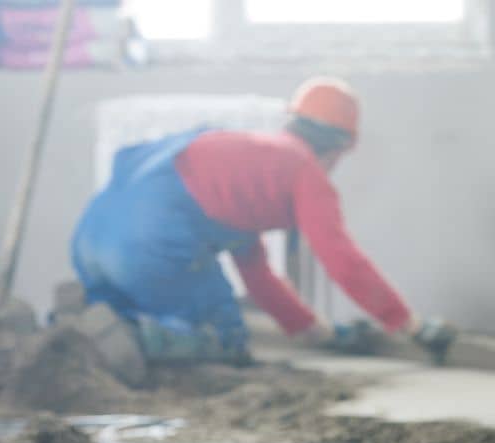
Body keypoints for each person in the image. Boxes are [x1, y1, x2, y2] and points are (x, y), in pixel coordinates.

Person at [71, 77, 454, 363]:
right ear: (339, 148)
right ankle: (139, 342)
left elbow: (256, 271)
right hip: (148, 243)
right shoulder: (303, 170)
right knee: (224, 337)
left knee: (117, 310)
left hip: (91, 239)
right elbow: (343, 260)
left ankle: (78, 332)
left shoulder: (248, 160)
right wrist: (409, 324)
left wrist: (310, 330)